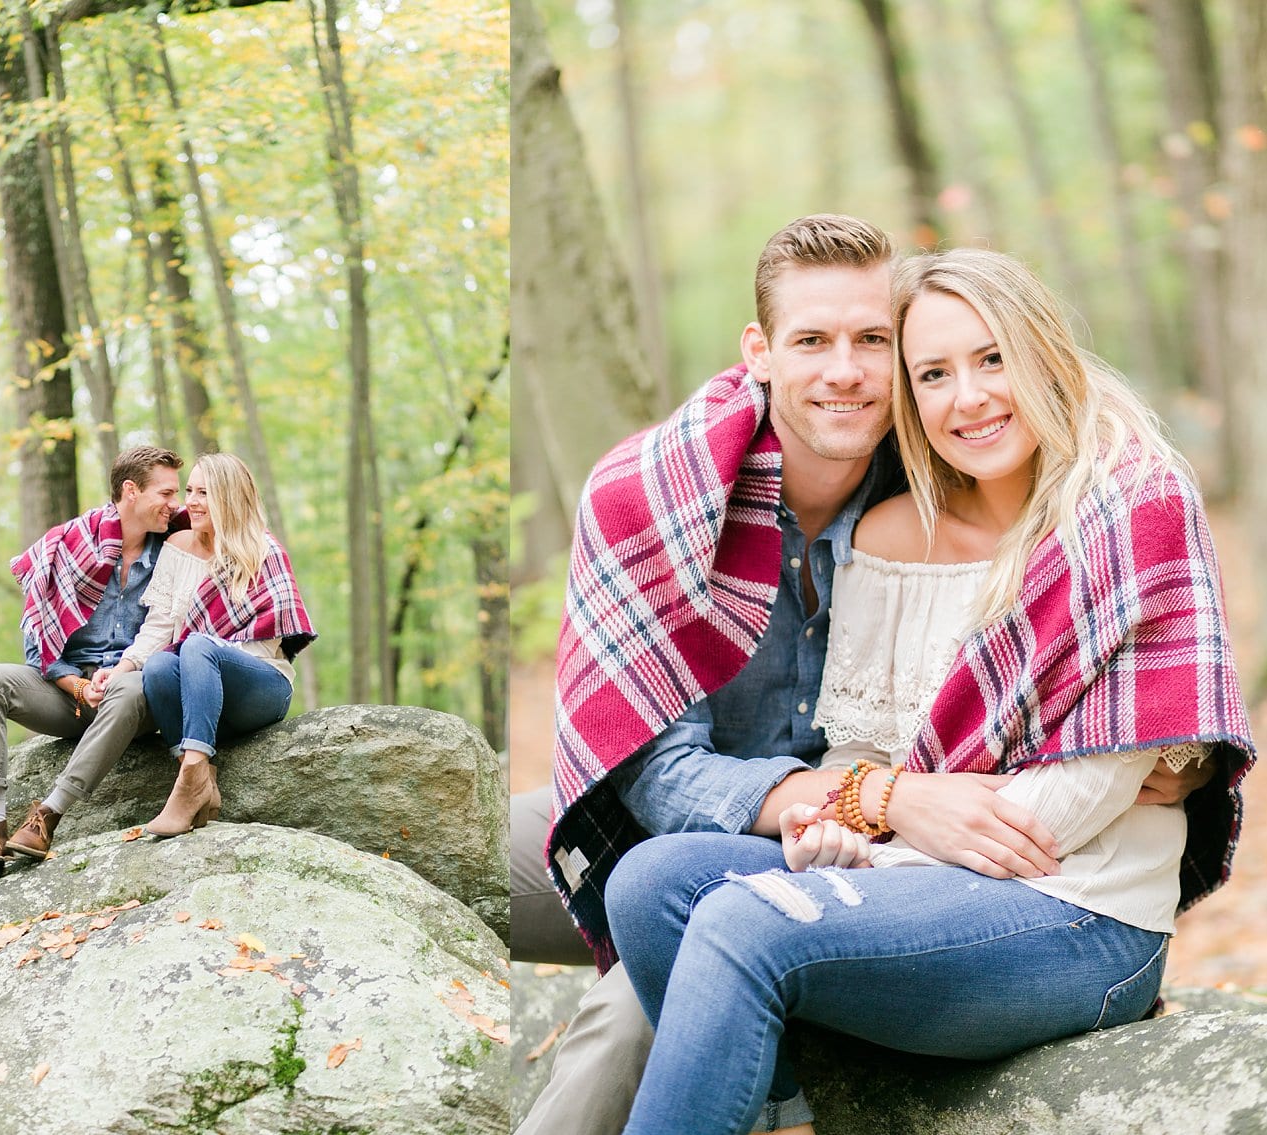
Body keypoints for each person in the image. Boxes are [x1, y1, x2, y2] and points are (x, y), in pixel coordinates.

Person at [512, 218, 1214, 1135]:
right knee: (644, 883)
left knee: (716, 946)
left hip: (1059, 898)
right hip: (772, 820)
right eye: (935, 373)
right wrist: (871, 810)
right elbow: (694, 771)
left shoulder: (1102, 504)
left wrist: (881, 829)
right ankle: (784, 1111)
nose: (963, 396)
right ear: (759, 352)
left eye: (989, 359)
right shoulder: (698, 500)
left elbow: (1107, 767)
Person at [0, 445, 185, 879]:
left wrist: (118, 676)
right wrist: (78, 687)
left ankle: (47, 816)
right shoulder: (67, 545)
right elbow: (38, 646)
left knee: (129, 686)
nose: (174, 504)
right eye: (166, 493)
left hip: (134, 694)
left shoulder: (174, 549)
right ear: (130, 491)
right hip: (70, 694)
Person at [94, 452, 315, 838]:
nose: (190, 501)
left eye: (204, 493)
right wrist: (123, 668)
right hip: (202, 699)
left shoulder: (261, 550)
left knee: (196, 646)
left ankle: (187, 785)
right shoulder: (176, 549)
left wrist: (206, 656)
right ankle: (202, 779)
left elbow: (266, 647)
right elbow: (159, 627)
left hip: (260, 688)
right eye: (190, 491)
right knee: (160, 666)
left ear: (229, 498)